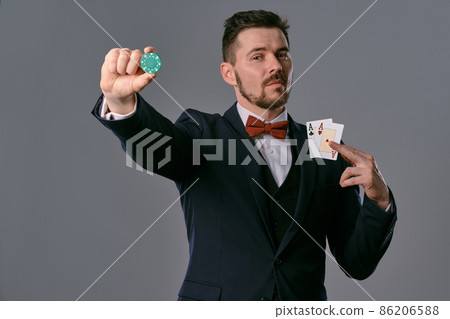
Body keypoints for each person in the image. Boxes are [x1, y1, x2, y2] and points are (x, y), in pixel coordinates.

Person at [91, 10, 397, 301]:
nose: (275, 66)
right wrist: (120, 103)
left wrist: (379, 200)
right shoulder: (201, 131)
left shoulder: (326, 144)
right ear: (229, 73)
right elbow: (157, 150)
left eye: (282, 54)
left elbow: (357, 263)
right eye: (258, 56)